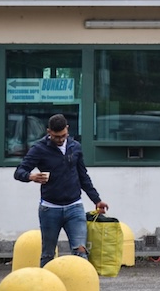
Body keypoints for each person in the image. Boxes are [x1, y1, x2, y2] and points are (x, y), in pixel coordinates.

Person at [14, 114, 109, 267]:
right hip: (50, 209)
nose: (60, 139)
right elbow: (19, 172)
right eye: (56, 136)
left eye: (63, 135)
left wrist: (97, 200)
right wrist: (31, 176)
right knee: (48, 254)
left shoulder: (75, 147)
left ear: (67, 129)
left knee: (81, 250)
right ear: (48, 132)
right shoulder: (38, 149)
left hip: (75, 206)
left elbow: (83, 177)